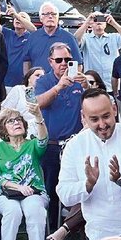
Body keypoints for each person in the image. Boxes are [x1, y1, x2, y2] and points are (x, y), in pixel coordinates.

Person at [57, 87, 121, 240]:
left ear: (114, 109)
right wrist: (87, 185)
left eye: (106, 116)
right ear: (83, 117)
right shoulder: (75, 146)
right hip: (98, 236)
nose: (102, 124)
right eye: (94, 119)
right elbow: (65, 195)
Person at [0, 107, 49, 240]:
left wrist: (38, 116)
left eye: (19, 120)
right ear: (4, 129)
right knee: (12, 211)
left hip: (34, 192)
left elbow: (44, 140)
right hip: (5, 193)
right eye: (11, 121)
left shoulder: (32, 144)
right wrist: (18, 187)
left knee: (34, 209)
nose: (16, 122)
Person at [36, 43, 88, 216]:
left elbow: (97, 102)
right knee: (51, 188)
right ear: (50, 61)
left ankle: (78, 225)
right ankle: (52, 230)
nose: (64, 63)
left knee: (81, 185)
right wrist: (58, 87)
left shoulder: (79, 81)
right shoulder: (43, 81)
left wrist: (88, 86)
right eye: (59, 60)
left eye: (68, 59)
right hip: (51, 145)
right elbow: (38, 103)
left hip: (76, 144)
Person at [20, 3, 81, 79]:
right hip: (38, 84)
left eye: (53, 14)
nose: (50, 16)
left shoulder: (69, 38)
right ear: (41, 18)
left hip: (62, 85)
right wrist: (28, 80)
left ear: (57, 18)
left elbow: (78, 64)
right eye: (46, 14)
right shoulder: (32, 38)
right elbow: (26, 62)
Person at [75, 10, 121, 80]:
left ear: (105, 23)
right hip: (93, 83)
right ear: (91, 24)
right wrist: (86, 23)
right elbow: (75, 41)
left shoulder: (114, 37)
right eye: (95, 20)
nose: (98, 22)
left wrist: (114, 24)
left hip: (112, 82)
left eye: (101, 19)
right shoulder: (86, 38)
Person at [0, 6, 32, 92]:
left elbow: (34, 29)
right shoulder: (8, 33)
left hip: (23, 84)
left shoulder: (31, 37)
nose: (18, 19)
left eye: (22, 18)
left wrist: (16, 15)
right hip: (6, 81)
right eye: (15, 18)